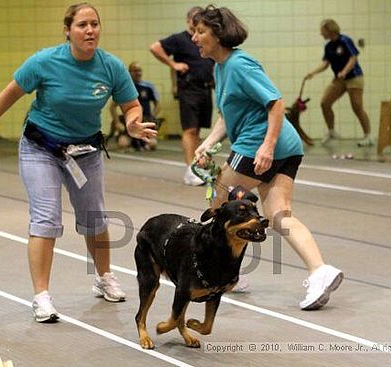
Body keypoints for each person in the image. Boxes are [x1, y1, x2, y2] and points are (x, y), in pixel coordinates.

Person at [0, 3, 156, 323]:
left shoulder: (111, 66)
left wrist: (133, 122)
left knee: (94, 217)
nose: (90, 30)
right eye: (82, 25)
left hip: (86, 151)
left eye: (94, 24)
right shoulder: (45, 61)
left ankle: (103, 276)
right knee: (46, 218)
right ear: (67, 31)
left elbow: (130, 103)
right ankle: (41, 297)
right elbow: (12, 91)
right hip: (41, 148)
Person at [192, 6, 343, 310]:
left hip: (260, 145)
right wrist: (207, 143)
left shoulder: (239, 65)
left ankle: (225, 275)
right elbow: (227, 114)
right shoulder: (220, 68)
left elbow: (275, 103)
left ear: (218, 34)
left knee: (218, 205)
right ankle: (320, 271)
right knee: (278, 215)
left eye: (200, 32)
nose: (194, 37)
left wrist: (267, 146)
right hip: (287, 147)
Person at [150, 6, 214, 186]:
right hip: (189, 88)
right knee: (190, 129)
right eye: (195, 21)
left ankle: (197, 166)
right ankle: (190, 169)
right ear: (188, 21)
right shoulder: (179, 39)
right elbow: (155, 47)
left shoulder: (204, 40)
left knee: (199, 130)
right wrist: (173, 64)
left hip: (205, 88)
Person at [304, 19, 373, 147]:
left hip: (354, 77)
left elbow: (353, 58)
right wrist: (313, 73)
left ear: (330, 30)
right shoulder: (328, 46)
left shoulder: (345, 41)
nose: (321, 34)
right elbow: (325, 63)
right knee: (325, 102)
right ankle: (331, 131)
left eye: (322, 31)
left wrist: (345, 71)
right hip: (339, 80)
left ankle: (368, 136)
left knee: (357, 106)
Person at [109, 61, 160, 151]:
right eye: (135, 71)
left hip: (144, 121)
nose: (138, 73)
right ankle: (129, 141)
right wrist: (117, 122)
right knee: (123, 144)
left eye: (139, 70)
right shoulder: (125, 87)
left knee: (152, 145)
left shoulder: (148, 86)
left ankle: (141, 142)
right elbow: (112, 107)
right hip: (129, 121)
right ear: (129, 72)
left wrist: (152, 116)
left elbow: (158, 105)